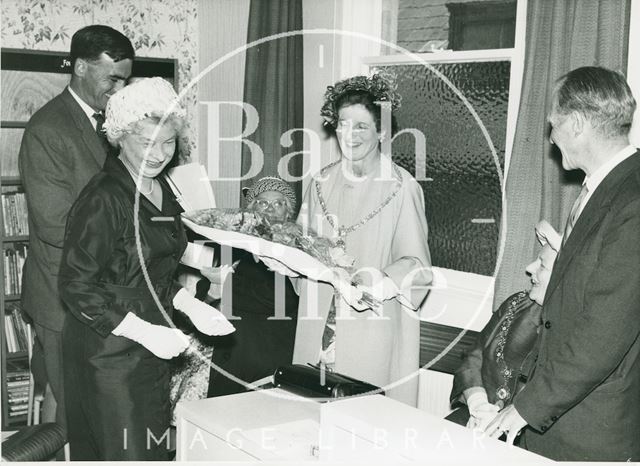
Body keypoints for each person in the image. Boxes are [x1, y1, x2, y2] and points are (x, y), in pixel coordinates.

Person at [58, 77, 233, 460]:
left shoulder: (161, 189)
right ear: (120, 137)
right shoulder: (103, 197)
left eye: (168, 142)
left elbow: (150, 272)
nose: (159, 154)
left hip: (155, 344)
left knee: (153, 451)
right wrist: (142, 331)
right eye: (147, 143)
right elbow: (75, 286)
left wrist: (190, 304)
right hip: (108, 353)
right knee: (125, 453)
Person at [486, 66, 640, 461]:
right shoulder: (605, 186)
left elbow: (604, 334)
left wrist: (524, 408)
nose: (551, 137)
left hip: (591, 431)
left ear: (577, 124)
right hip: (564, 418)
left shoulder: (633, 198)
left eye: (554, 124)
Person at [18, 25, 134, 429]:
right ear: (81, 67)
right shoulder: (48, 129)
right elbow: (54, 224)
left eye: (125, 79)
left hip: (103, 289)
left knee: (86, 401)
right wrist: (128, 239)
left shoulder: (113, 124)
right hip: (62, 295)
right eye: (113, 78)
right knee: (71, 405)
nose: (120, 89)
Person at [293, 74, 433, 406]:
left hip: (370, 331)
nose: (349, 135)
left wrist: (379, 283)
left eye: (361, 127)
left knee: (361, 428)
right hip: (316, 328)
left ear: (382, 131)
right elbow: (300, 247)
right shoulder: (319, 182)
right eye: (342, 124)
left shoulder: (402, 187)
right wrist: (280, 254)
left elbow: (418, 267)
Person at [446, 221, 560, 431]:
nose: (529, 269)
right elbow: (474, 355)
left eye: (542, 265)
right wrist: (478, 405)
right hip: (478, 418)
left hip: (531, 435)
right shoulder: (517, 304)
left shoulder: (581, 329)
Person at [206, 176, 300, 396]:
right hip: (229, 354)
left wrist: (226, 284)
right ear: (251, 209)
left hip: (273, 356)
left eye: (280, 203)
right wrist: (212, 292)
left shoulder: (295, 250)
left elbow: (283, 299)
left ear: (288, 213)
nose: (271, 209)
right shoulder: (232, 245)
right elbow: (206, 290)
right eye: (263, 202)